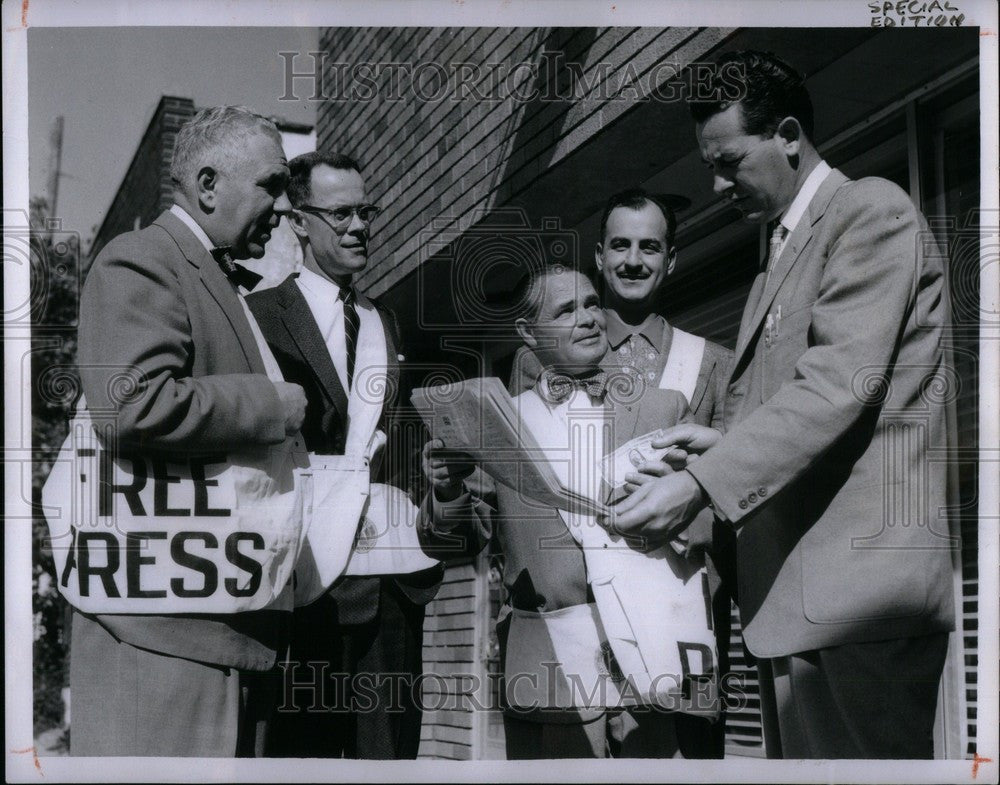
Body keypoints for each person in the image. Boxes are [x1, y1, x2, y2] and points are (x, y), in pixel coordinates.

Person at [609, 50, 957, 759]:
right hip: (803, 600)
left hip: (858, 601)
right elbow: (795, 396)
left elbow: (838, 384)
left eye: (730, 160)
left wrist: (703, 482)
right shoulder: (781, 247)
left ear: (790, 135)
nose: (715, 184)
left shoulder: (869, 211)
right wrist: (718, 441)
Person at [73, 106, 305, 756]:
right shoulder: (143, 259)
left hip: (217, 636)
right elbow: (131, 404)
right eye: (272, 184)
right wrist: (271, 405)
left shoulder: (212, 275)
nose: (284, 206)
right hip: (161, 645)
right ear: (208, 185)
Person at [425, 263, 714, 759]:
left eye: (590, 303)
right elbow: (453, 542)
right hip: (551, 668)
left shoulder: (665, 407)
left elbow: (714, 510)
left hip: (653, 651)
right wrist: (447, 490)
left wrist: (680, 514)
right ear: (526, 332)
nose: (587, 318)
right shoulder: (499, 424)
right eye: (565, 310)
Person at [247, 152, 467, 759]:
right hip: (302, 580)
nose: (359, 226)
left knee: (389, 762)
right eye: (340, 213)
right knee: (299, 762)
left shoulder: (384, 322)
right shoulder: (259, 318)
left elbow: (395, 446)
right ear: (297, 221)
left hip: (388, 585)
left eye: (364, 211)